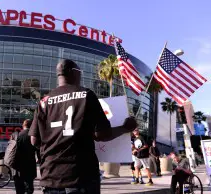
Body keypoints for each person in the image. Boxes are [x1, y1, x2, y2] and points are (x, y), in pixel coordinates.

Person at [29, 59, 137, 194]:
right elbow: (102, 134)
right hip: (80, 178)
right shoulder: (86, 95)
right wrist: (125, 128)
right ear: (74, 72)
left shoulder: (44, 102)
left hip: (50, 178)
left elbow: (34, 140)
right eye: (80, 72)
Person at [10, 119, 37, 194]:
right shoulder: (33, 136)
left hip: (17, 167)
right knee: (29, 189)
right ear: (31, 126)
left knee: (19, 190)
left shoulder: (15, 135)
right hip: (29, 166)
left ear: (23, 126)